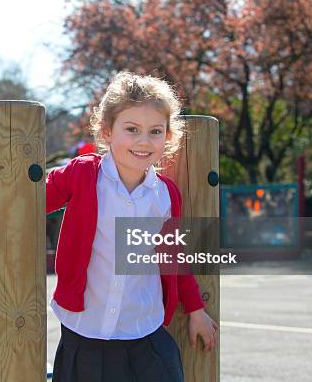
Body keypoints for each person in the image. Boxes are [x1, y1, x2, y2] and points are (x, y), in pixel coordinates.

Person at [46, 71, 218, 382]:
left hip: (144, 334)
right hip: (83, 333)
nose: (143, 140)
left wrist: (195, 309)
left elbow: (174, 256)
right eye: (132, 129)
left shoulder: (166, 195)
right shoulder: (82, 175)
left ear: (168, 136)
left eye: (155, 131)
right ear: (107, 131)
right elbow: (28, 200)